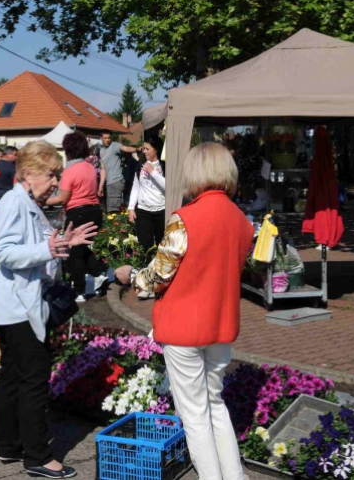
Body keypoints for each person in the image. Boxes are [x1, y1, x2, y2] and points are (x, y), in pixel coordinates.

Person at [116, 142, 254, 480]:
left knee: (193, 415)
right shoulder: (242, 221)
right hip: (221, 326)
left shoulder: (184, 219)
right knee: (215, 405)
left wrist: (131, 275)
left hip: (183, 328)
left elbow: (156, 278)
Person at [0, 141, 96, 479]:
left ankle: (10, 444)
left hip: (16, 306)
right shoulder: (14, 203)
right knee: (33, 379)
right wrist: (48, 247)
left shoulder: (23, 201)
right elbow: (3, 251)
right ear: (29, 174)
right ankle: (37, 456)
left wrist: (62, 241)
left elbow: (32, 245)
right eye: (52, 175)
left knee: (14, 377)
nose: (56, 183)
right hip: (19, 307)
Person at [46, 131, 109, 302]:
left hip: (77, 212)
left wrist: (41, 199)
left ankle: (79, 290)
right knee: (81, 249)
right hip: (95, 210)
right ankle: (98, 273)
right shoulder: (89, 166)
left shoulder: (70, 170)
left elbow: (62, 198)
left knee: (75, 253)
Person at [127, 138, 166, 298]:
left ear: (156, 150)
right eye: (143, 149)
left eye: (148, 149)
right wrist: (131, 207)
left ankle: (161, 282)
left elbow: (169, 187)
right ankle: (144, 286)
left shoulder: (164, 165)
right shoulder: (141, 165)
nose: (144, 152)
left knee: (162, 248)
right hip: (143, 211)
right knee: (144, 247)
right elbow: (136, 187)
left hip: (161, 210)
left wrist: (153, 172)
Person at [96, 131, 140, 213]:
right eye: (105, 138)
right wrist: (100, 186)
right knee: (110, 209)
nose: (108, 140)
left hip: (116, 181)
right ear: (101, 138)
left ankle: (119, 224)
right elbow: (103, 170)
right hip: (109, 183)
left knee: (113, 210)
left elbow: (126, 148)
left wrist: (136, 149)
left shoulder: (114, 146)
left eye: (109, 138)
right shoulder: (101, 151)